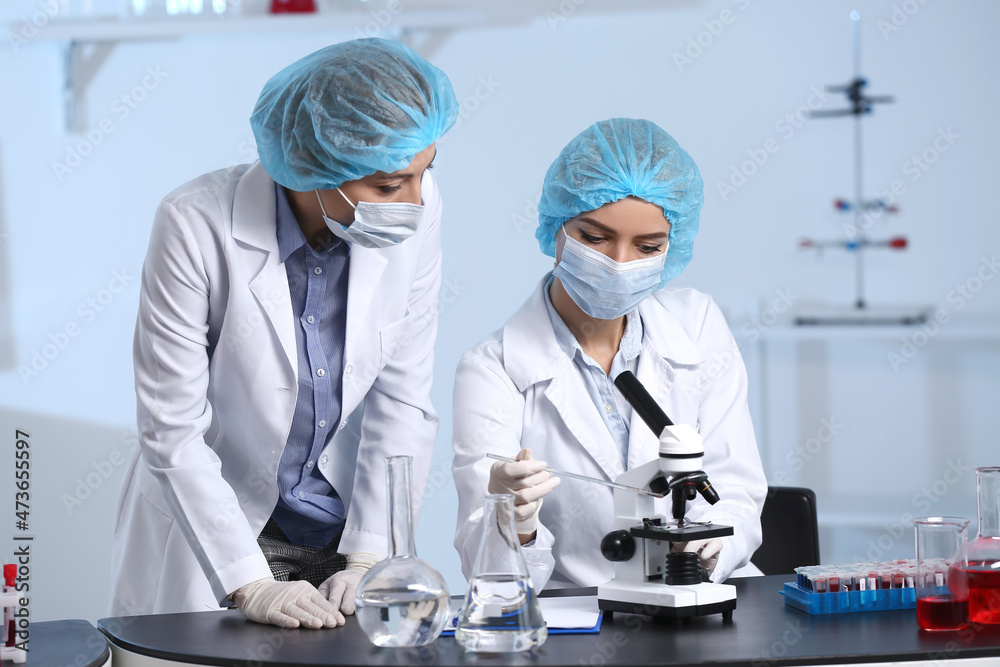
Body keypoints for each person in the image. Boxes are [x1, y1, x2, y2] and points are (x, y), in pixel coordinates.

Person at [109, 38, 458, 629]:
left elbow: (402, 399)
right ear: (317, 167)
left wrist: (372, 552)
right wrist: (250, 583)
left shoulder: (414, 214)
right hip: (220, 536)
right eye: (388, 186)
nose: (416, 202)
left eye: (426, 174)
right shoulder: (195, 223)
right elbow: (170, 427)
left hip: (343, 534)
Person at [452, 118, 767, 592]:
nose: (619, 263)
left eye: (648, 246)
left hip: (709, 594)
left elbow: (735, 485)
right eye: (595, 238)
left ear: (672, 246)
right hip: (579, 614)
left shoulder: (697, 325)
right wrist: (514, 521)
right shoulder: (493, 368)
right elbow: (492, 575)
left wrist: (706, 551)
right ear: (556, 225)